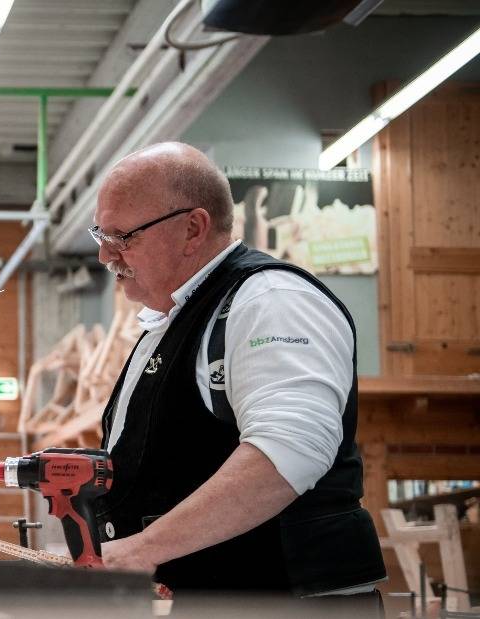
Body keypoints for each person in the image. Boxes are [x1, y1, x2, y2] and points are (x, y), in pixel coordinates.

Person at [89, 143, 386, 608]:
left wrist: (144, 548)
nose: (107, 256)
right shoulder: (172, 320)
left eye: (123, 236)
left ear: (193, 228)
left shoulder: (269, 301)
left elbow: (289, 449)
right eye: (100, 235)